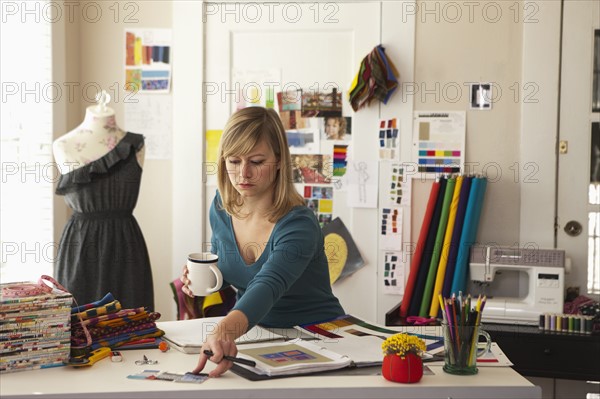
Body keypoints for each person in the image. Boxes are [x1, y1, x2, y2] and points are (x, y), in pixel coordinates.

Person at [180, 106, 345, 378]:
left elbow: (267, 285)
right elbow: (234, 270)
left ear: (279, 160)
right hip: (259, 335)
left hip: (319, 337)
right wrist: (206, 279)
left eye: (256, 162)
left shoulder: (298, 224)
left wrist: (223, 330)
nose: (243, 173)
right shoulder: (221, 208)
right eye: (233, 161)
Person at [53, 91, 154, 311]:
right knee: (77, 327)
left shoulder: (134, 144)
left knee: (132, 327)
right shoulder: (63, 146)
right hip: (80, 247)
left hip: (125, 245)